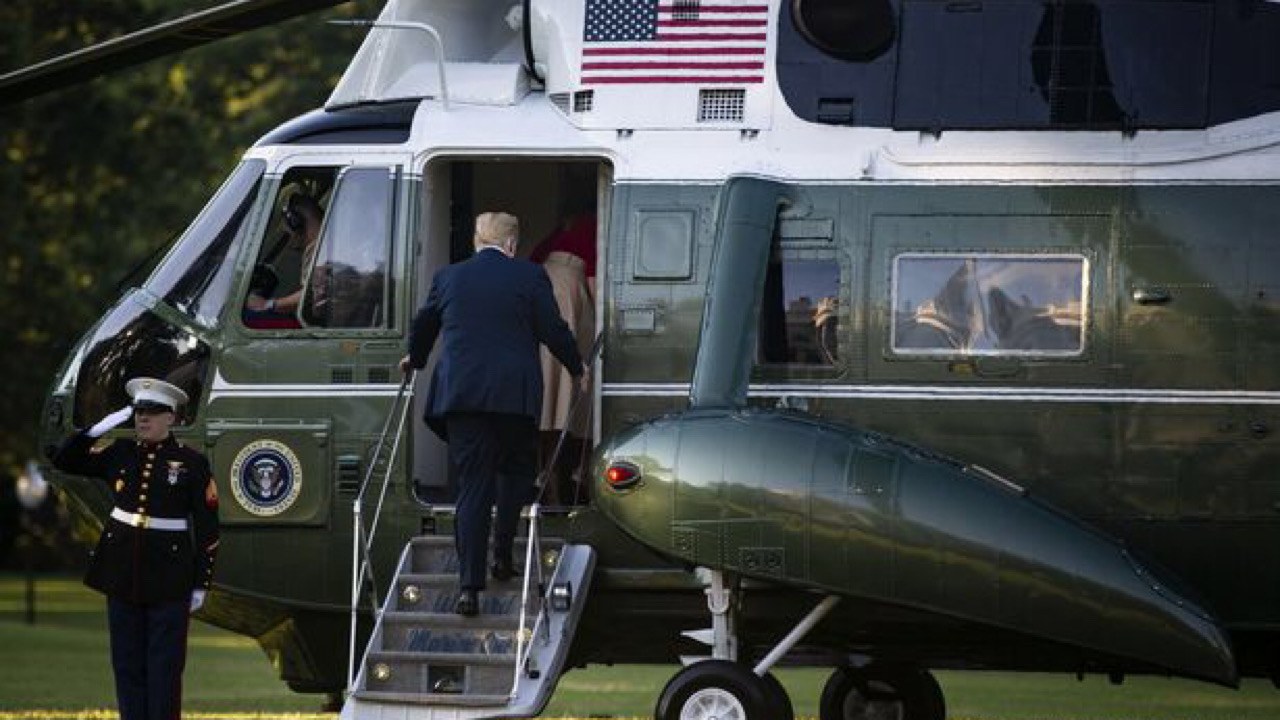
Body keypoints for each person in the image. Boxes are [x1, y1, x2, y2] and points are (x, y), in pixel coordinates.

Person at [400, 211, 585, 616]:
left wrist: (413, 359)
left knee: (473, 485)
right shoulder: (530, 277)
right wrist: (576, 366)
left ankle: (469, 587)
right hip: (513, 399)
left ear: (476, 241)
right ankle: (502, 556)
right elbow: (553, 330)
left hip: (463, 398)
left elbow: (424, 325)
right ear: (513, 245)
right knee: (515, 474)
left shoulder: (448, 277)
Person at [52, 377, 219, 720]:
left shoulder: (191, 463)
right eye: (139, 411)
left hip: (169, 575)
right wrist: (107, 423)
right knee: (126, 663)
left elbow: (207, 527)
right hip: (121, 570)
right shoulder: (121, 452)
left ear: (171, 417)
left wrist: (202, 580)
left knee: (164, 667)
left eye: (153, 412)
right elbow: (66, 459)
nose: (143, 418)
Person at [529, 200, 596, 504]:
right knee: (571, 381)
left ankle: (545, 475)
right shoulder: (592, 227)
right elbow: (594, 282)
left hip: (544, 289)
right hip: (570, 291)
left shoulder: (556, 233)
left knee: (547, 379)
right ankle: (567, 480)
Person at [243, 193, 325, 328]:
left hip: (318, 331)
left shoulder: (321, 248)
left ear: (296, 222)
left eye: (289, 232)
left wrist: (267, 305)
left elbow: (313, 294)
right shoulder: (322, 245)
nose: (290, 239)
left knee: (248, 319)